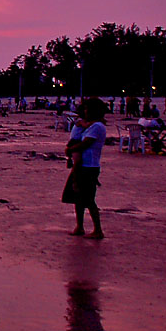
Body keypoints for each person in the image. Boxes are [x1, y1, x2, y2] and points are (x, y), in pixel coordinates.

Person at [64, 97, 107, 239]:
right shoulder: (89, 126)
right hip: (83, 165)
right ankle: (80, 226)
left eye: (88, 109)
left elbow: (85, 144)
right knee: (78, 198)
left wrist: (70, 150)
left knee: (89, 199)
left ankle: (98, 230)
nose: (86, 111)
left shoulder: (97, 127)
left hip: (89, 166)